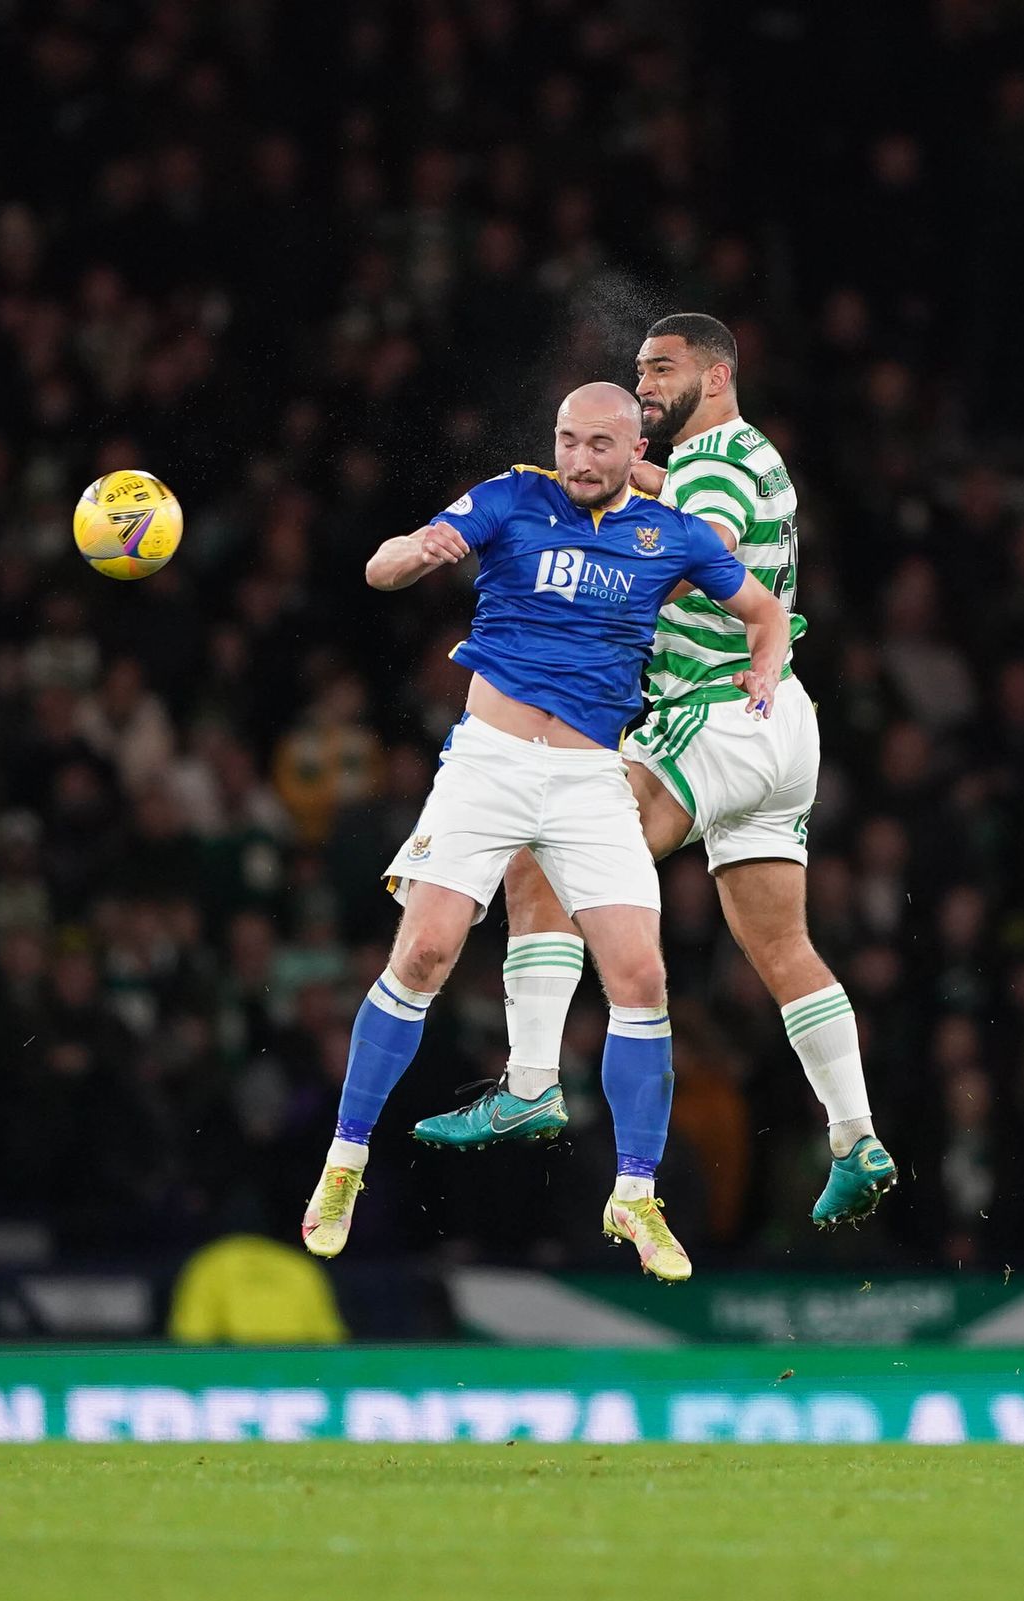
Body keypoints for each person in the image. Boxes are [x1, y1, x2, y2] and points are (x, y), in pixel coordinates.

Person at [413, 317, 897, 1229]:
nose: (644, 384)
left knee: (547, 857)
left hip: (709, 714)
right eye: (637, 370)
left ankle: (528, 1083)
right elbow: (692, 511)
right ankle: (855, 1134)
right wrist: (628, 473)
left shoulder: (710, 463)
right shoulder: (752, 454)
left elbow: (679, 555)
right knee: (779, 946)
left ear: (715, 376)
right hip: (782, 724)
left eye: (661, 368)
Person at [301, 381, 790, 1280]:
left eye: (597, 445)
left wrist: (764, 670)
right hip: (488, 763)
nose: (577, 460)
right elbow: (381, 566)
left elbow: (764, 610)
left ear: (633, 446)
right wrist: (417, 550)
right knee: (424, 956)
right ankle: (344, 1163)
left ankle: (635, 1199)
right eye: (567, 441)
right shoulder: (512, 496)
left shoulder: (671, 534)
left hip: (589, 779)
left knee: (641, 976)